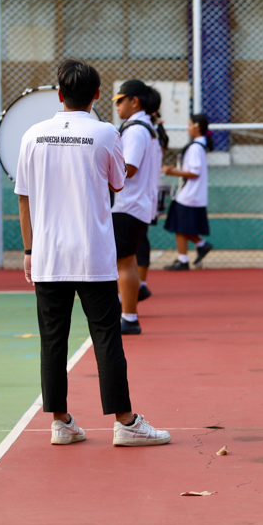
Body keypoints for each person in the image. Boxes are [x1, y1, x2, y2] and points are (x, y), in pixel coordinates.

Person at [15, 58, 170, 447]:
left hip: (48, 254)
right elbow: (118, 183)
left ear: (59, 94)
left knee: (52, 340)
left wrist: (29, 250)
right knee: (106, 338)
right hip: (92, 255)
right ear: (98, 95)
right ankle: (125, 422)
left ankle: (61, 423)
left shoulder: (33, 134)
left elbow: (23, 198)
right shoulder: (105, 134)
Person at [111, 80, 163, 335]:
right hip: (136, 205)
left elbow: (127, 168)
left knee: (124, 263)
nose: (117, 105)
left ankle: (129, 317)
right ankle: (127, 313)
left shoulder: (135, 130)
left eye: (121, 100)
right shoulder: (147, 128)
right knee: (126, 261)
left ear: (135, 101)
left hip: (127, 205)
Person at [162, 114, 214, 271]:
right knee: (182, 226)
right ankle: (200, 245)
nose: (187, 128)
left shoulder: (196, 148)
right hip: (190, 194)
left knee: (180, 226)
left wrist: (172, 172)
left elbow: (194, 172)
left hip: (189, 194)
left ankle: (183, 259)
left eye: (190, 124)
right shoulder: (198, 146)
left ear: (197, 127)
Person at [136, 86, 166, 302]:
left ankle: (135, 289)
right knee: (140, 241)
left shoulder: (140, 131)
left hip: (137, 199)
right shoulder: (151, 131)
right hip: (147, 196)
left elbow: (128, 168)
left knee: (129, 250)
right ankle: (140, 284)